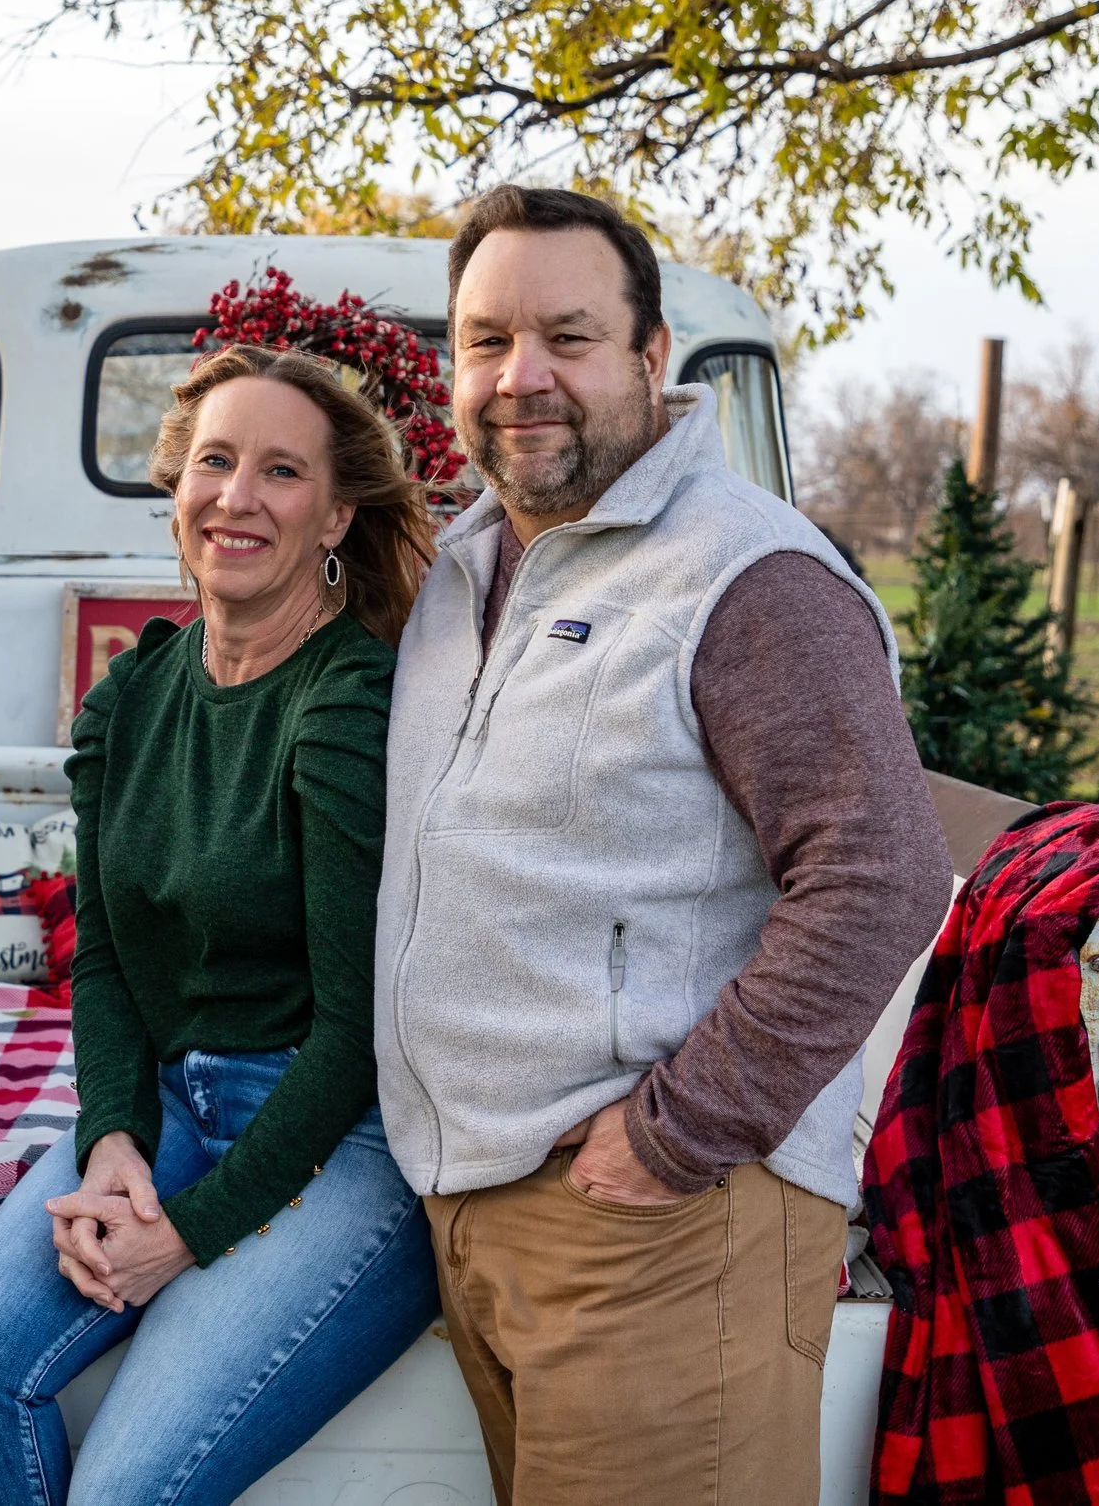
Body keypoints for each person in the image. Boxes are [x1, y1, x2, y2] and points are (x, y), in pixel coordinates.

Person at [372, 185, 956, 1506]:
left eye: (568, 337)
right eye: (486, 340)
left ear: (650, 360)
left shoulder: (748, 577)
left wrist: (679, 1130)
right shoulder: (470, 567)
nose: (523, 377)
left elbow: (881, 877)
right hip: (485, 1212)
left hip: (662, 1225)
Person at [0, 345, 441, 1505]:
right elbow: (102, 955)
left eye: (280, 472)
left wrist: (186, 1232)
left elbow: (357, 1032)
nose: (235, 497)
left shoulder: (344, 704)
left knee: (123, 1491)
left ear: (335, 516)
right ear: (175, 487)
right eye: (214, 461)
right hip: (164, 1107)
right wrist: (111, 1136)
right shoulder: (130, 699)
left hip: (338, 1138)